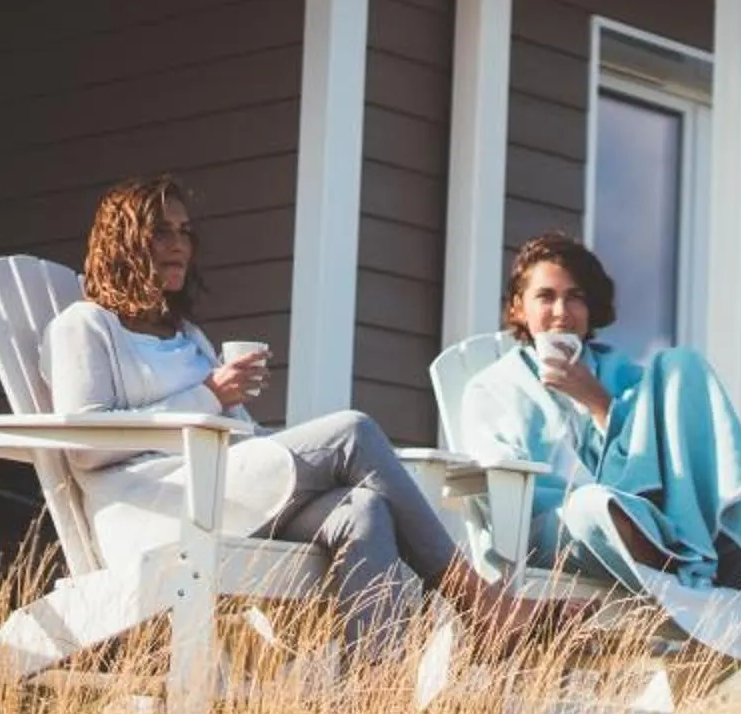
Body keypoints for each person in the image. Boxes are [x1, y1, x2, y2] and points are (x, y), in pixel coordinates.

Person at [44, 175, 541, 646]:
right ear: (122, 242)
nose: (178, 244)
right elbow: (86, 447)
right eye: (159, 232)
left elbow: (231, 432)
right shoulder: (85, 326)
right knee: (351, 431)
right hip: (150, 507)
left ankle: (369, 701)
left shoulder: (187, 336)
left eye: (184, 232)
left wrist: (239, 418)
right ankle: (478, 601)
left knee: (363, 510)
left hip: (218, 490)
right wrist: (210, 396)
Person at [455, 231, 741, 660]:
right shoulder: (491, 389)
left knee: (681, 363)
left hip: (648, 515)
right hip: (551, 527)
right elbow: (500, 483)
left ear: (591, 308)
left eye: (575, 297)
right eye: (545, 297)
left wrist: (599, 402)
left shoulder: (622, 376)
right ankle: (712, 555)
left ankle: (707, 550)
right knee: (597, 503)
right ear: (518, 308)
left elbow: (668, 454)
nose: (561, 312)